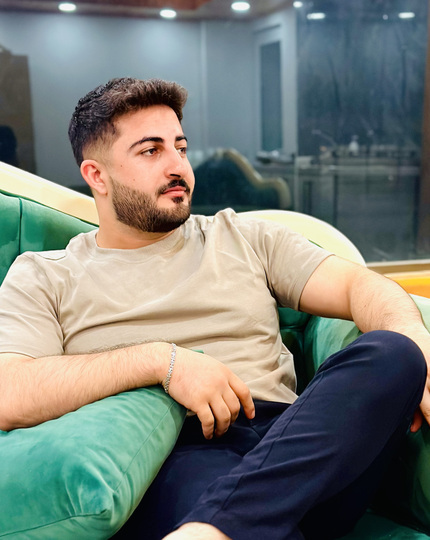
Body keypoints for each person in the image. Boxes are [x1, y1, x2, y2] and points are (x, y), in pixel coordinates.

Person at [0, 78, 428, 540]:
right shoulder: (47, 274)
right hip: (184, 456)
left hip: (303, 445)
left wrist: (417, 339)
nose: (178, 166)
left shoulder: (244, 237)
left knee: (394, 352)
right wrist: (161, 362)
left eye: (180, 148)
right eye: (151, 151)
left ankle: (217, 527)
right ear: (97, 176)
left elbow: (359, 285)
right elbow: (10, 393)